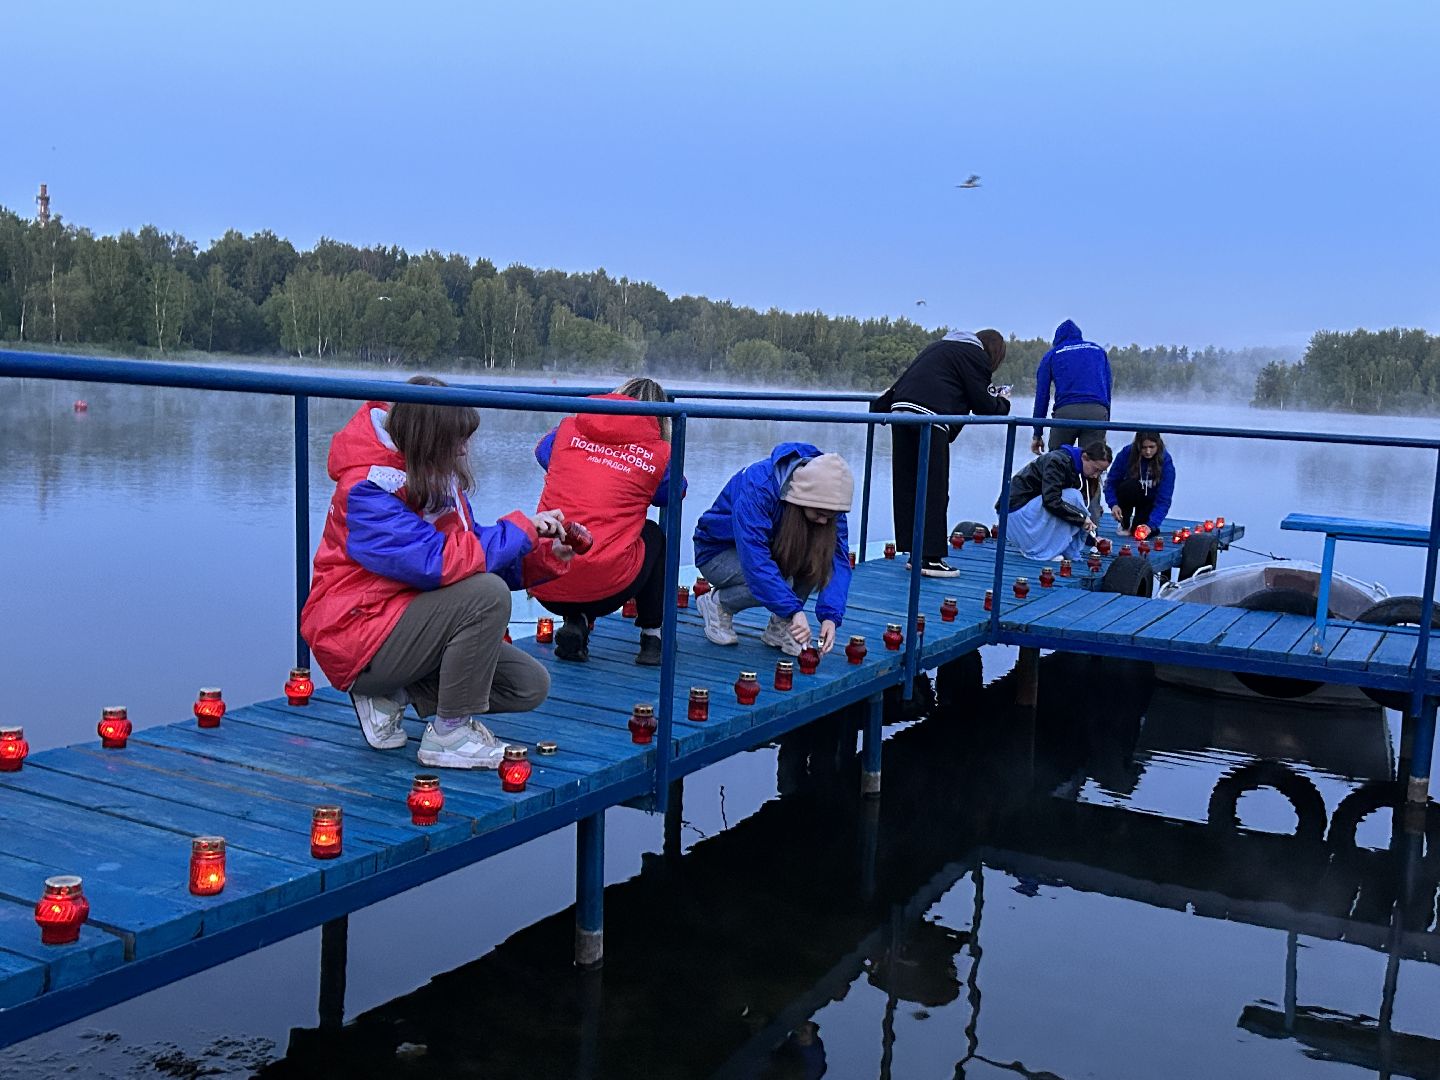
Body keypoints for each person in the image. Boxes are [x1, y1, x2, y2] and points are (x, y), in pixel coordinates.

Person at [300, 376, 573, 769]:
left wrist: (542, 554)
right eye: (455, 439)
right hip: (355, 636)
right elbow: (438, 563)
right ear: (428, 438)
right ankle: (449, 735)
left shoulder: (428, 474)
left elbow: (470, 548)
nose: (463, 449)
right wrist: (521, 529)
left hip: (399, 625)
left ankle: (391, 696)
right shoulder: (367, 489)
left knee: (528, 685)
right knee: (487, 595)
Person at [530, 377, 686, 666]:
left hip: (542, 579)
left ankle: (576, 621)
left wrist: (583, 465)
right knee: (652, 534)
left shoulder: (568, 430)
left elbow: (541, 452)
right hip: (609, 590)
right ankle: (653, 637)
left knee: (572, 532)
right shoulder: (659, 454)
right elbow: (674, 492)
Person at [872, 328, 1010, 577]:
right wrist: (1003, 401)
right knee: (933, 491)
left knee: (908, 487)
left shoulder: (938, 348)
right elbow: (984, 404)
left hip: (900, 412)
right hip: (928, 418)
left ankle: (915, 553)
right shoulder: (974, 355)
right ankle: (931, 559)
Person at [693, 444, 853, 656]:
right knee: (777, 582)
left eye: (830, 517)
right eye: (819, 513)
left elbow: (837, 560)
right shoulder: (759, 485)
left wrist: (830, 617)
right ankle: (717, 605)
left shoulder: (829, 496)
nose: (824, 521)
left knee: (816, 563)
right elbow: (755, 560)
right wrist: (794, 610)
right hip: (718, 550)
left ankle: (780, 628)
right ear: (800, 497)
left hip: (768, 549)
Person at [998, 441, 1113, 560]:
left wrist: (1094, 538)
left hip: (1026, 512)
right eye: (1096, 469)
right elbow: (1051, 501)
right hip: (1013, 515)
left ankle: (1065, 550)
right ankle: (1040, 552)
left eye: (1101, 472)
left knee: (1072, 503)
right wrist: (1082, 520)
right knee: (1073, 497)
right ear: (1084, 457)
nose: (1096, 475)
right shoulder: (1057, 462)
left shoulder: (1078, 469)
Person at [1105, 430, 1176, 537]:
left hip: (1150, 501)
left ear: (1158, 445)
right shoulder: (1126, 454)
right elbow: (1111, 482)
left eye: (1152, 447)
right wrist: (1113, 504)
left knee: (1139, 531)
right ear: (1137, 446)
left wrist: (1151, 524)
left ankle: (1145, 525)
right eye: (1144, 447)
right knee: (1128, 486)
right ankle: (1124, 523)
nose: (1148, 451)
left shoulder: (1166, 462)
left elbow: (1164, 499)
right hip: (1132, 492)